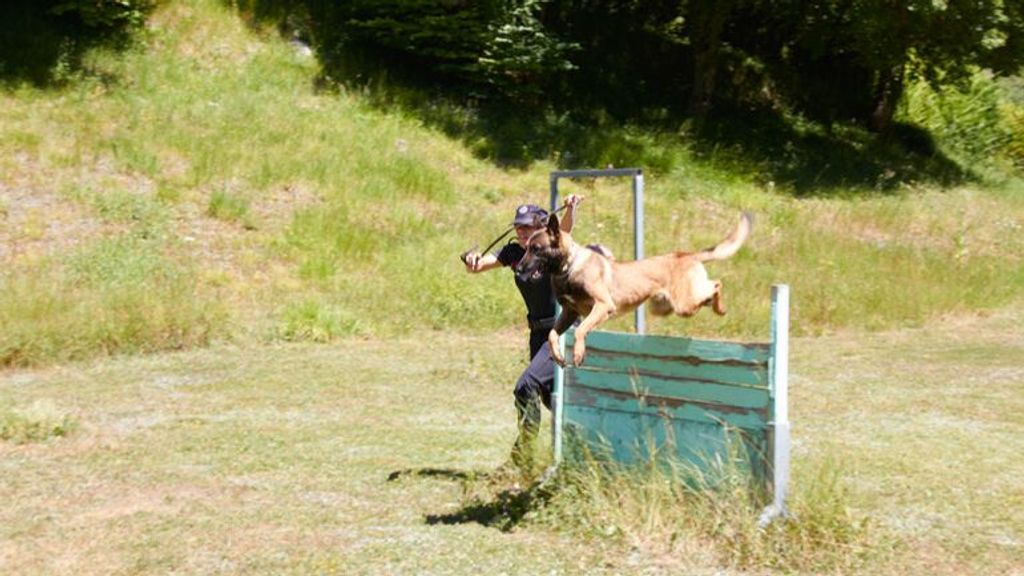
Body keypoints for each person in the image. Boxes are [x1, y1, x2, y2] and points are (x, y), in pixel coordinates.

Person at [463, 194, 583, 471]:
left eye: (528, 227)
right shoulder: (514, 253)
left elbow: (564, 229)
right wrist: (472, 260)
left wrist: (571, 208)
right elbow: (478, 266)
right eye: (518, 226)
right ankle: (578, 446)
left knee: (525, 386)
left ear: (541, 227)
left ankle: (523, 458)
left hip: (560, 329)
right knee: (549, 397)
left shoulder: (550, 249)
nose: (522, 231)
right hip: (537, 334)